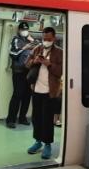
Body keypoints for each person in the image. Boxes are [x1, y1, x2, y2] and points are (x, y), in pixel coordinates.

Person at [26, 27, 63, 160]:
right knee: (36, 118)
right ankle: (37, 141)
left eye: (48, 39)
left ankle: (47, 144)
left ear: (54, 38)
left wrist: (49, 64)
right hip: (36, 90)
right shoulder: (37, 49)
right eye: (44, 38)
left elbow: (60, 72)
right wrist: (34, 61)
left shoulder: (59, 52)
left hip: (50, 92)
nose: (46, 41)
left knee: (47, 119)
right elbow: (27, 64)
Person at [6, 22, 35, 128]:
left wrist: (33, 42)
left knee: (27, 95)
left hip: (29, 72)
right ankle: (11, 120)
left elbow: (40, 50)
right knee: (17, 95)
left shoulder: (31, 40)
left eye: (26, 29)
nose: (24, 31)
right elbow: (12, 54)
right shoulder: (15, 40)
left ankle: (22, 118)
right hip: (18, 72)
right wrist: (24, 48)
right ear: (19, 30)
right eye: (23, 29)